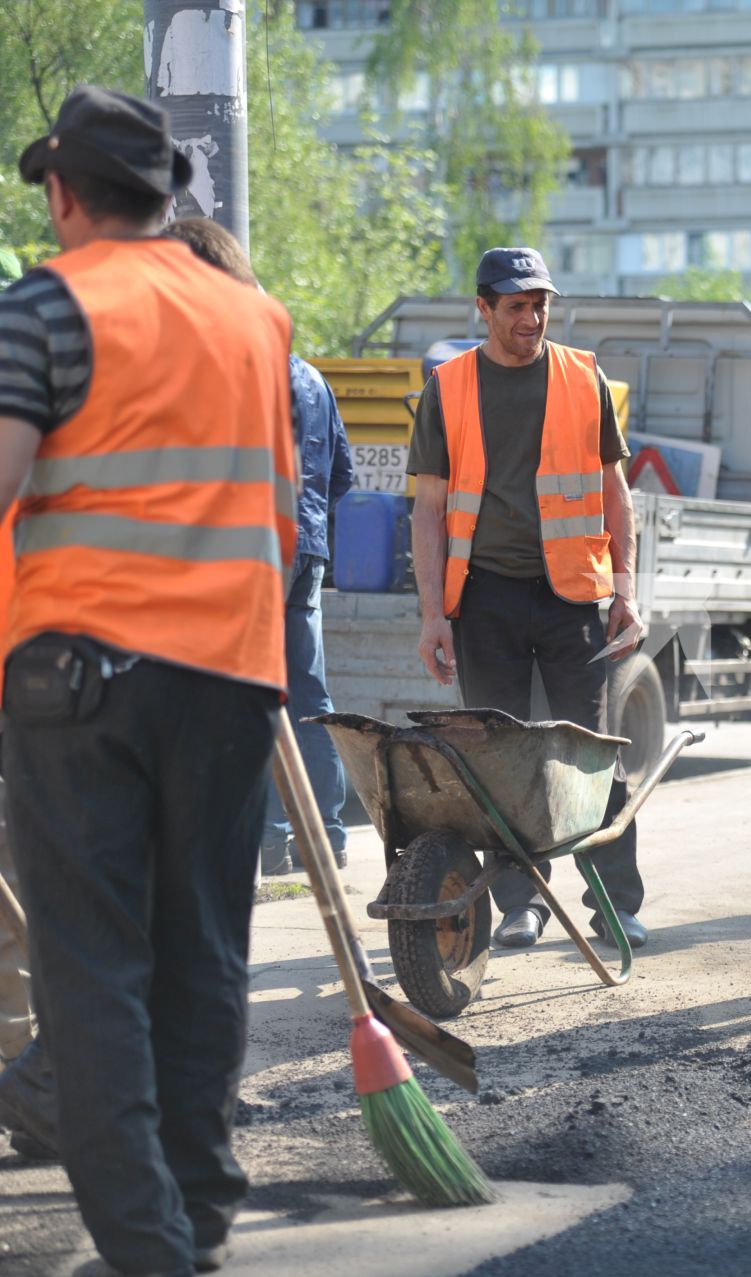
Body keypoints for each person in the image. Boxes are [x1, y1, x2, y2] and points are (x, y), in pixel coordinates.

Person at [0, 85, 297, 1273]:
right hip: (231, 675)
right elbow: (279, 514)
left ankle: (151, 1249)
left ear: (65, 194)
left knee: (92, 967)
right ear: (165, 194)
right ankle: (198, 1218)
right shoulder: (254, 319)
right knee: (204, 958)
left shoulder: (48, 304)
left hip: (81, 680)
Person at [407, 246, 648, 951]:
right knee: (500, 757)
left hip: (574, 595)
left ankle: (617, 904)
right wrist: (432, 615)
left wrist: (625, 584)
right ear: (483, 309)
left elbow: (614, 493)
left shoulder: (582, 377)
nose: (531, 317)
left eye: (540, 303)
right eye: (516, 305)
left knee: (593, 752)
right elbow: (428, 508)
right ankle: (521, 901)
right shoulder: (448, 389)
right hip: (484, 600)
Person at [157, 217, 357, 875]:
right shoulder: (312, 377)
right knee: (309, 693)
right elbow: (343, 476)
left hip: (255, 546)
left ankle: (271, 839)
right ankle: (325, 834)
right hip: (307, 548)